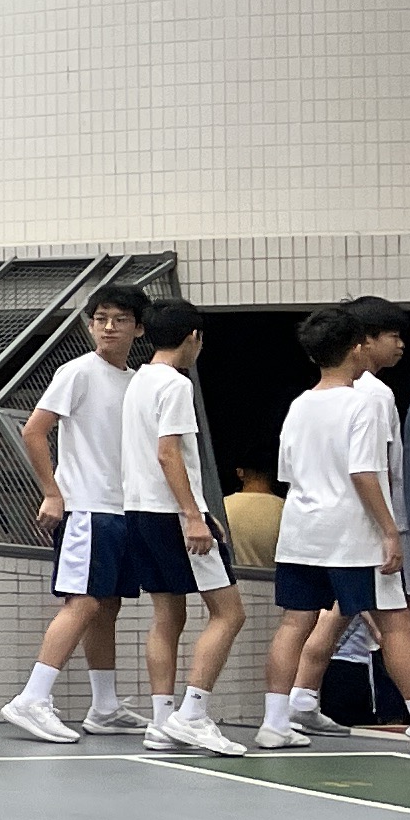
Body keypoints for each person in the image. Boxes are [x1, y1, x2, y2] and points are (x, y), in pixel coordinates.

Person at [254, 302, 410, 750]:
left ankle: (275, 722)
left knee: (294, 624)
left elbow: (287, 471)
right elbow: (365, 472)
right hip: (354, 535)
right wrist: (389, 530)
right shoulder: (365, 402)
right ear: (358, 347)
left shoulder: (299, 404)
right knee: (397, 623)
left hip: (301, 532)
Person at [0, 282, 150, 742]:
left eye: (120, 320)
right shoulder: (78, 371)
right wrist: (53, 492)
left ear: (138, 329)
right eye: (100, 319)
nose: (108, 327)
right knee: (83, 602)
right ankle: (31, 698)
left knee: (107, 606)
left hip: (122, 509)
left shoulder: (138, 381)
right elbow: (33, 430)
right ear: (90, 325)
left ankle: (104, 706)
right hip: (86, 508)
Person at [118, 298, 247, 759]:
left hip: (139, 511)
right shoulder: (175, 383)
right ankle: (191, 715)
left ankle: (161, 723)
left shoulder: (138, 381)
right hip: (172, 514)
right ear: (193, 337)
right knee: (230, 613)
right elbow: (168, 452)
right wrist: (194, 516)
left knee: (167, 616)